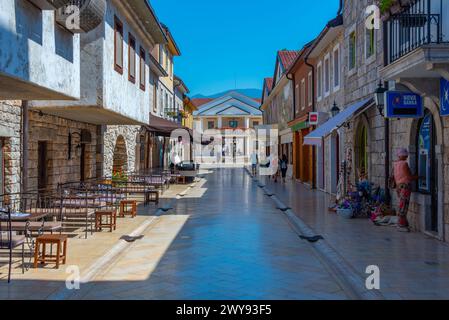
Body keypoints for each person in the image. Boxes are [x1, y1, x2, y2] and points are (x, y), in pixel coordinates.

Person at [392, 148, 419, 232]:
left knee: (401, 203)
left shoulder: (395, 164)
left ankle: (403, 222)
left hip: (398, 186)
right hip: (405, 186)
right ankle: (401, 224)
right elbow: (409, 177)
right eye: (406, 155)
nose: (407, 156)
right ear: (403, 155)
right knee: (404, 205)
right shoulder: (404, 164)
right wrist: (418, 177)